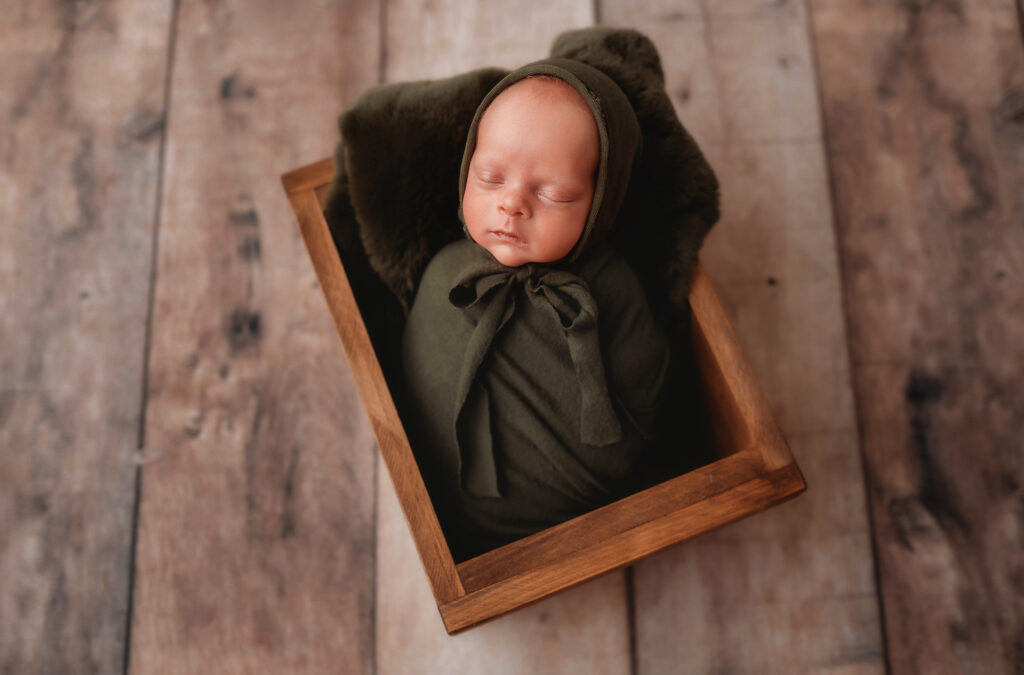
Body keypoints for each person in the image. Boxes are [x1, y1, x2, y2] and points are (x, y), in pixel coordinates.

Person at [401, 59, 672, 562]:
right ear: (467, 166)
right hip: (441, 530)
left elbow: (647, 395)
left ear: (600, 202)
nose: (512, 204)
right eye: (489, 177)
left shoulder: (611, 290)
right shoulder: (445, 275)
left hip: (586, 538)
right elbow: (414, 382)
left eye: (554, 193)